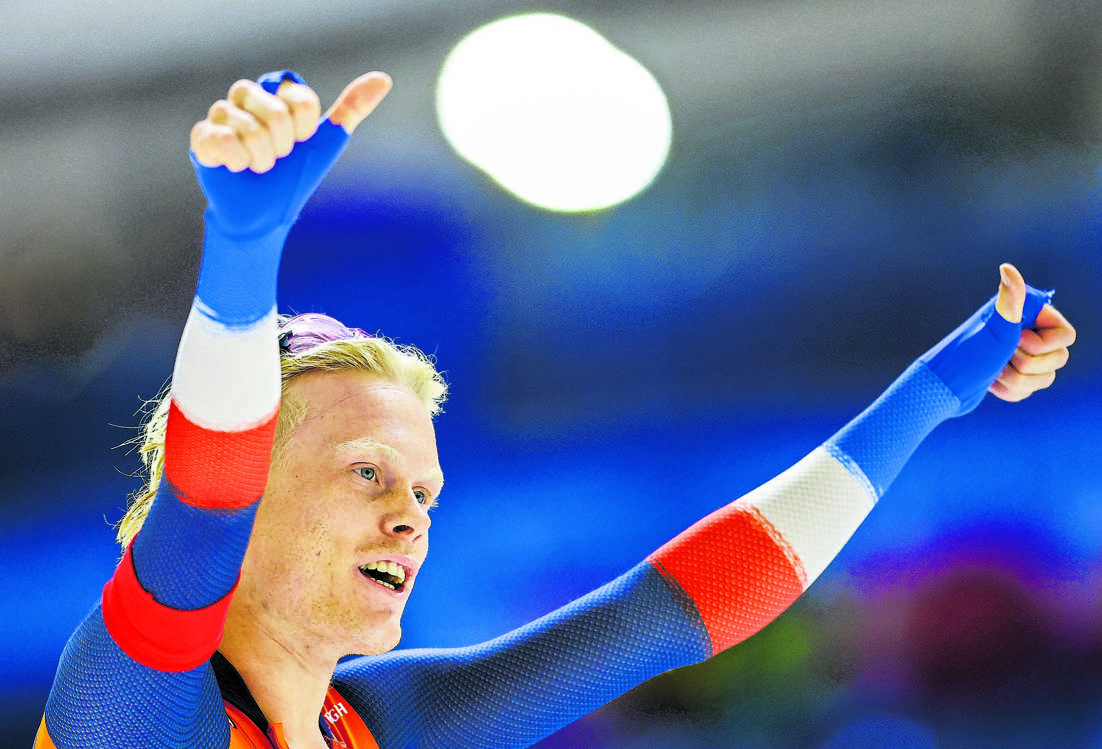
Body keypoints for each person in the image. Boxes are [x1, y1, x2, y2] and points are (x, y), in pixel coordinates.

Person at [35, 70, 1076, 749]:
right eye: (366, 470)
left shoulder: (389, 722)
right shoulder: (132, 707)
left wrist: (935, 392)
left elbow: (669, 609)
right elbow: (205, 495)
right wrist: (242, 252)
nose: (410, 516)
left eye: (423, 489)